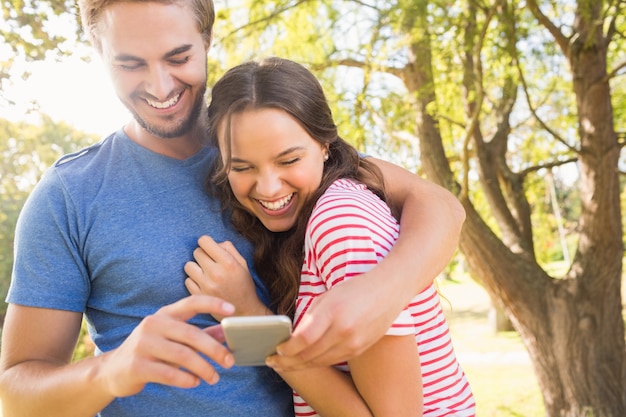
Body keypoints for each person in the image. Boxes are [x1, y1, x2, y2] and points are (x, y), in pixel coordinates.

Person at [0, 1, 465, 417]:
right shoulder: (69, 196)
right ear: (99, 57)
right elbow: (16, 394)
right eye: (129, 64)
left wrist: (382, 291)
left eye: (178, 57)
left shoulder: (277, 147)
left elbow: (439, 206)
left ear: (206, 39)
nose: (160, 84)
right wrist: (109, 372)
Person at [186, 57, 475, 416]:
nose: (268, 187)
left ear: (325, 144)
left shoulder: (341, 223)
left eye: (288, 160)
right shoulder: (319, 214)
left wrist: (249, 315)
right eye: (242, 167)